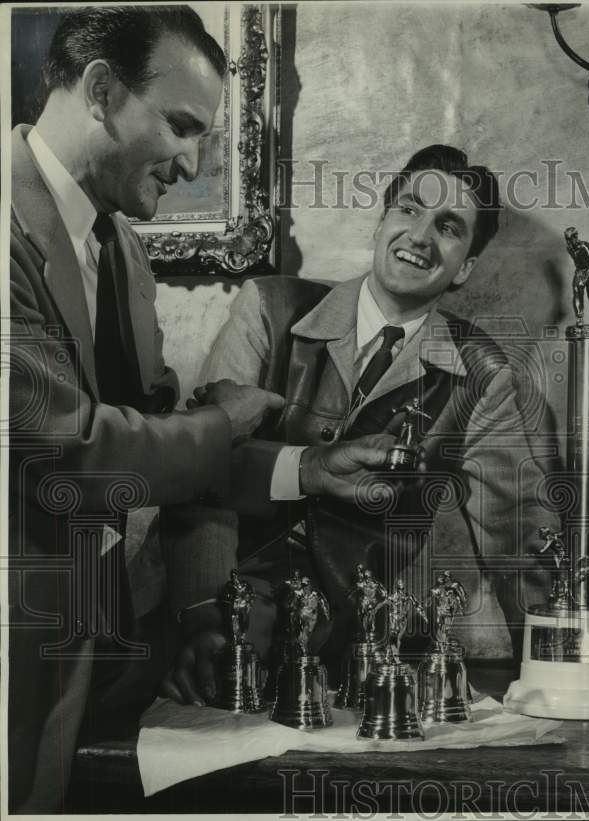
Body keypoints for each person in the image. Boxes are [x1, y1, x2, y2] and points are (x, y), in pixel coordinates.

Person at [7, 8, 390, 811]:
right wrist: (227, 422)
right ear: (102, 92)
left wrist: (308, 468)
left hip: (99, 654)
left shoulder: (122, 250)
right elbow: (70, 452)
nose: (192, 164)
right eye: (181, 127)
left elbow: (160, 445)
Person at [159, 145, 554, 703]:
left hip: (357, 652)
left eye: (448, 227)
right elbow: (198, 473)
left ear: (465, 266)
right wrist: (206, 618)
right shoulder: (269, 308)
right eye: (409, 209)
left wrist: (558, 669)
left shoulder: (481, 375)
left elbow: (518, 534)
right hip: (222, 619)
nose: (420, 236)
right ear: (382, 220)